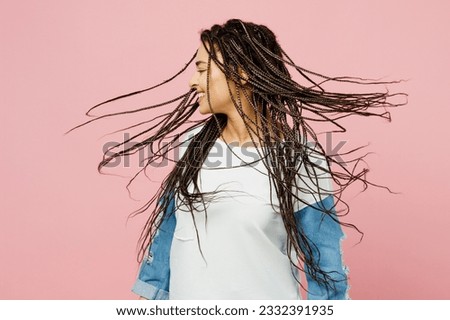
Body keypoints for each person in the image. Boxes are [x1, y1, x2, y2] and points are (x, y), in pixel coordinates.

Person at [66, 19, 406, 300]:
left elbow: (324, 259)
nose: (192, 81)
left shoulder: (299, 159)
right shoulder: (191, 148)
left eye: (202, 69)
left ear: (240, 73)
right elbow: (167, 236)